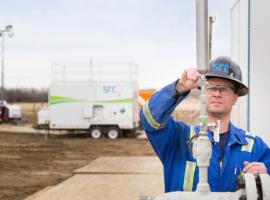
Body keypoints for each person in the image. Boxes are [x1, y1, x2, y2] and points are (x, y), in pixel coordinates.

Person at [140, 56, 270, 192]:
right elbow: (149, 117)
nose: (217, 94)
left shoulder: (253, 146)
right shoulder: (178, 138)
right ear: (203, 91)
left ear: (235, 97)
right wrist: (179, 87)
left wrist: (265, 174)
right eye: (211, 87)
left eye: (225, 88)